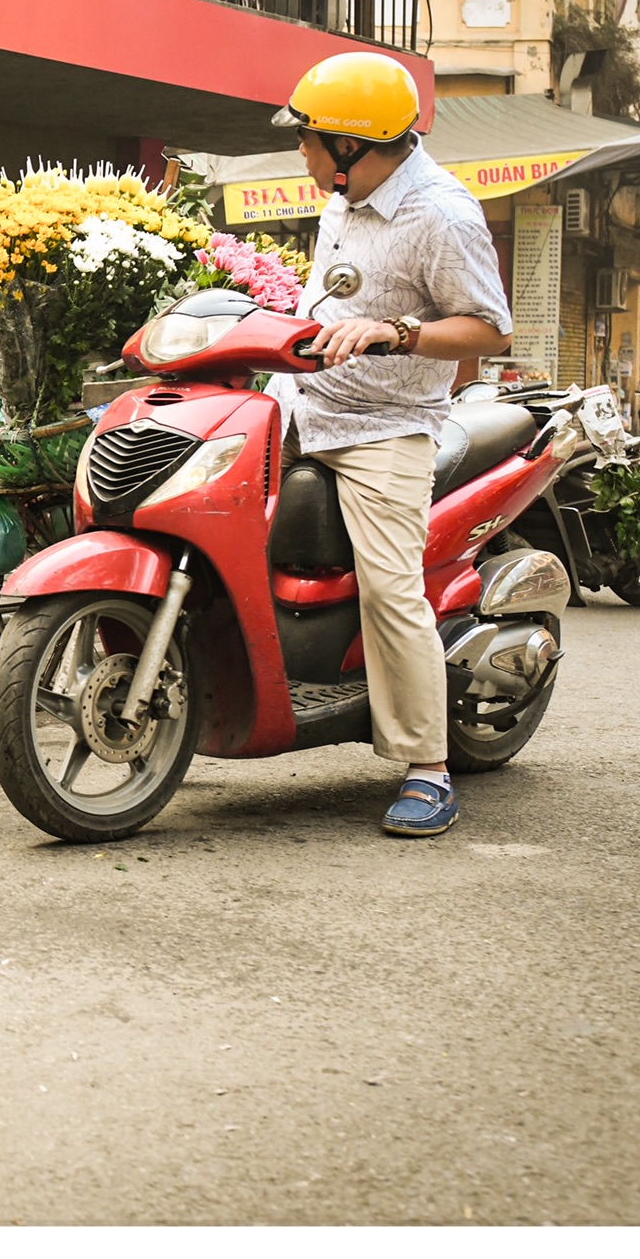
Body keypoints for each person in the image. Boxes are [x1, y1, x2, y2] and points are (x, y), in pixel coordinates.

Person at [268, 51, 515, 839]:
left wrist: (397, 331)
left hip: (386, 426)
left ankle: (428, 766)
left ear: (352, 143)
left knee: (387, 584)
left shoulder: (441, 214)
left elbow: (489, 328)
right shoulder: (343, 196)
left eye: (309, 139)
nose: (300, 152)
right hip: (304, 404)